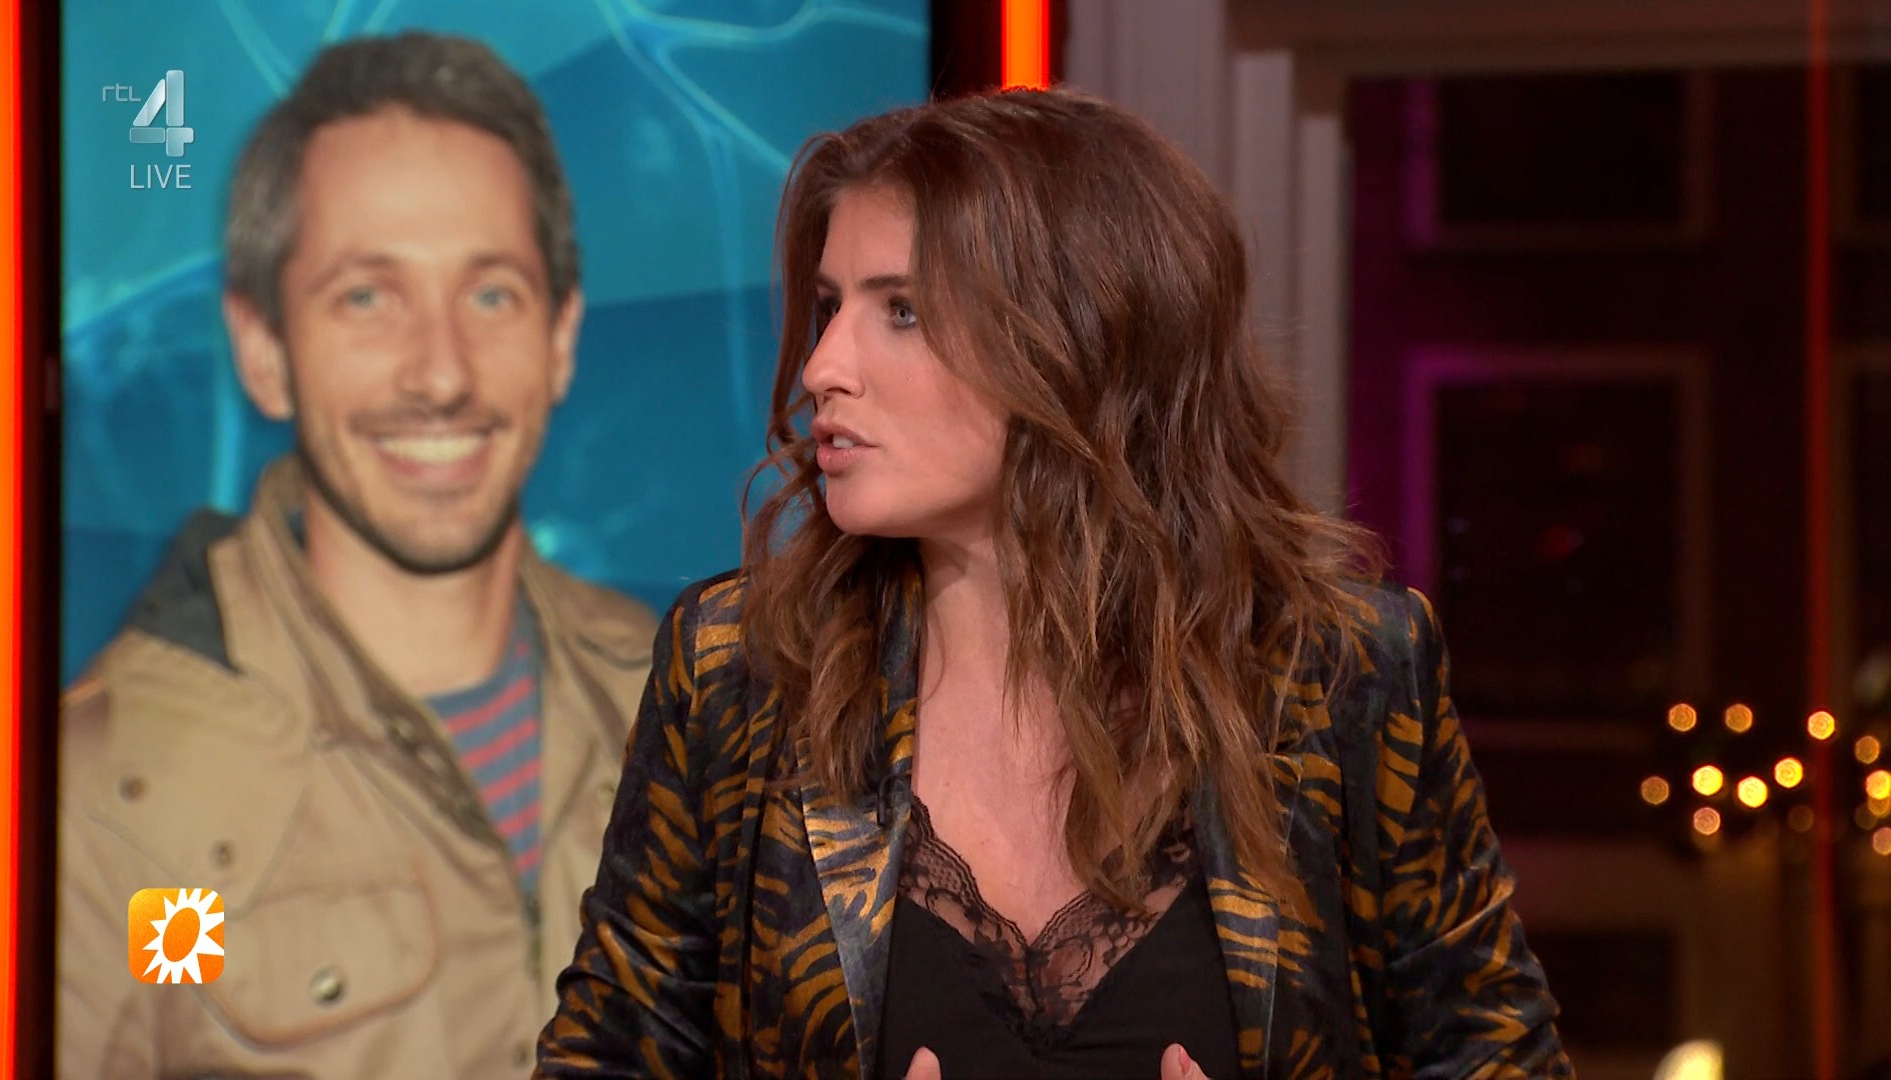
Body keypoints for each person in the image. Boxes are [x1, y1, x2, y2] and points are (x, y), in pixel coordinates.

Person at [535, 87, 1572, 1079]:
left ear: (1079, 338)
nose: (823, 367)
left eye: (902, 311)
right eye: (829, 306)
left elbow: (1498, 1056)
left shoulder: (1342, 672)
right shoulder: (742, 670)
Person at [56, 32, 656, 1079]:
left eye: (492, 293)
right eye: (367, 297)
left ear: (562, 338)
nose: (441, 373)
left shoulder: (684, 701)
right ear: (263, 350)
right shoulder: (109, 804)